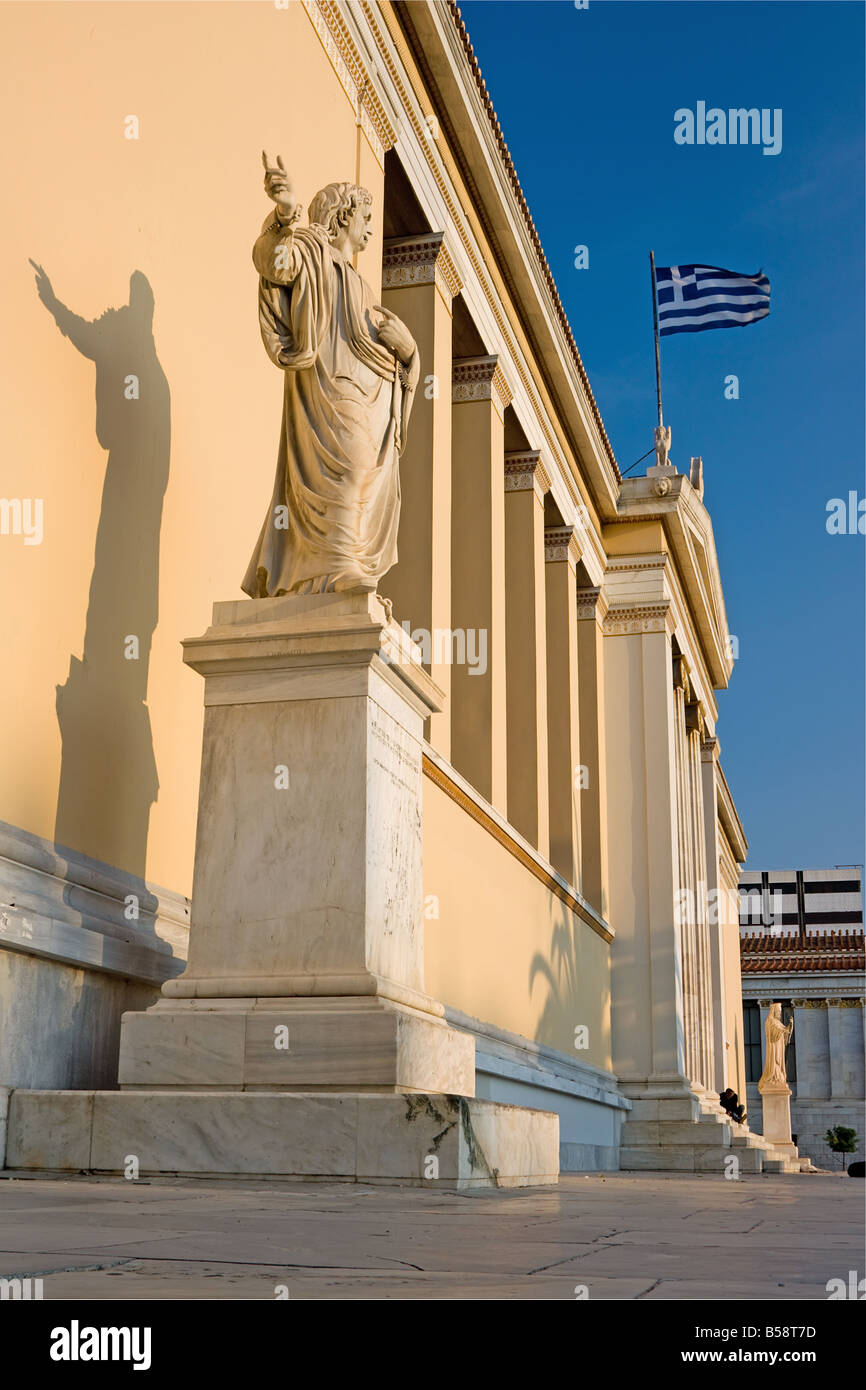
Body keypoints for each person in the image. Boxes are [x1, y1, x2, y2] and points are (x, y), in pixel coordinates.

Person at [242, 153, 420, 599]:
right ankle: (336, 565)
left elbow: (381, 354)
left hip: (363, 396)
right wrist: (285, 214)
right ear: (343, 217)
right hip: (327, 392)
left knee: (364, 474)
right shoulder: (313, 251)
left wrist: (410, 353)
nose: (370, 229)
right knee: (354, 465)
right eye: (365, 216)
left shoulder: (361, 284)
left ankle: (335, 564)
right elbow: (274, 263)